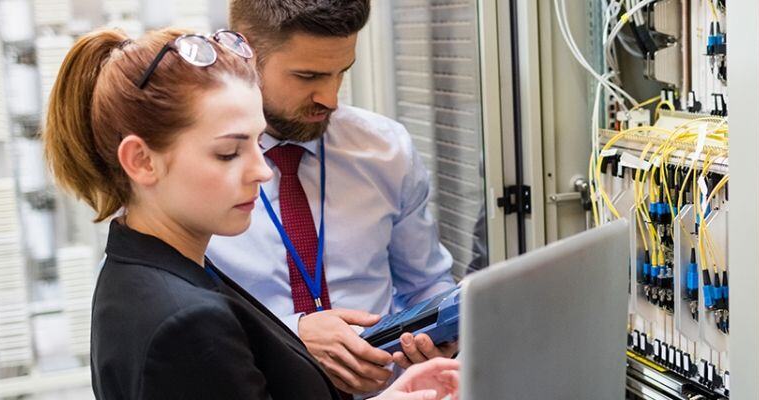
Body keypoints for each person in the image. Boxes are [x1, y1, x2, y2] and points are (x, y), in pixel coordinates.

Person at [42, 27, 459, 400]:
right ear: (142, 161)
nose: (262, 170)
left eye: (258, 143)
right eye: (228, 152)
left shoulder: (153, 267)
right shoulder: (187, 324)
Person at [206, 1, 459, 394]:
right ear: (244, 54)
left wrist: (437, 337)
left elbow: (426, 282)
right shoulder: (190, 174)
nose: (331, 98)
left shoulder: (386, 150)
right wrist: (288, 336)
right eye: (308, 76)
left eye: (342, 73)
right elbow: (168, 317)